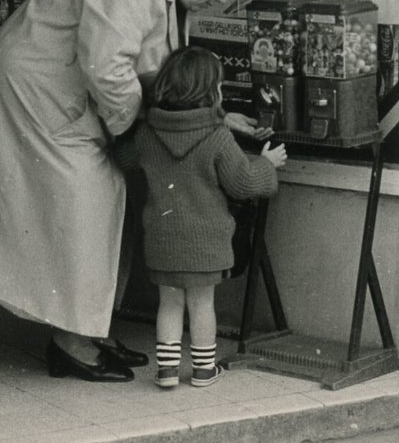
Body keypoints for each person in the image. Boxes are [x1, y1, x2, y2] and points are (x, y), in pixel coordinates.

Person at [0, 0, 270, 383]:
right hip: (34, 92)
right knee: (87, 206)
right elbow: (108, 68)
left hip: (64, 95)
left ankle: (87, 330)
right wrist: (141, 129)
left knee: (103, 202)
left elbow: (161, 76)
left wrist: (213, 116)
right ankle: (71, 342)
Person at [113, 46, 286, 388]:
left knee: (170, 302)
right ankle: (204, 370)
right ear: (210, 93)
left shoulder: (148, 135)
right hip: (205, 242)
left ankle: (167, 372)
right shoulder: (217, 137)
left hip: (162, 239)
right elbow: (243, 183)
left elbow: (125, 158)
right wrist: (268, 163)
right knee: (202, 303)